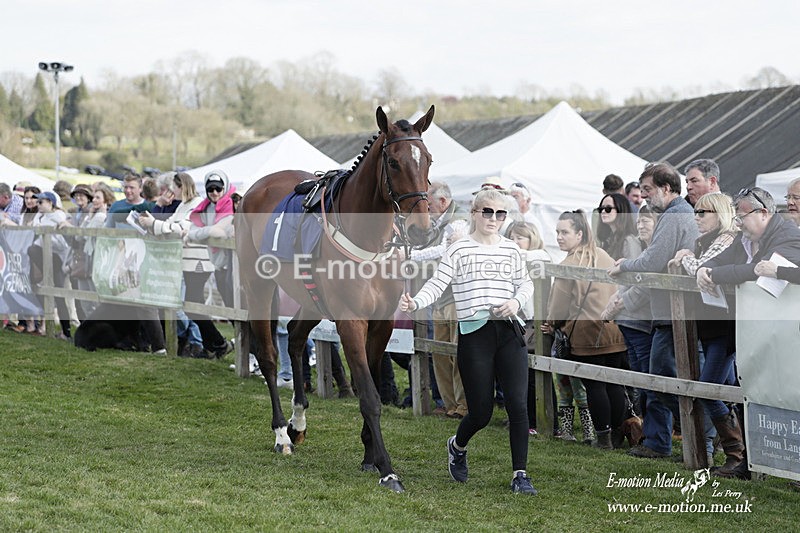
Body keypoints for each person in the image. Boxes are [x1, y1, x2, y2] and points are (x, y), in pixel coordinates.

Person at [398, 188, 537, 495]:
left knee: (517, 404)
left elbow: (525, 283)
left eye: (500, 214)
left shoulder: (512, 249)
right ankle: (457, 446)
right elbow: (437, 283)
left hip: (510, 332)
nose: (494, 219)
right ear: (475, 213)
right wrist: (416, 302)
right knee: (481, 412)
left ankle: (520, 474)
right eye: (487, 212)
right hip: (475, 334)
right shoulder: (459, 249)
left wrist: (516, 302)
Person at [698, 187, 800, 478]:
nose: (739, 222)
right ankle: (748, 461)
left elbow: (755, 270)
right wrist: (703, 271)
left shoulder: (787, 235)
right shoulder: (745, 237)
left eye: (742, 216)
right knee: (751, 389)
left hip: (784, 334)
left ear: (764, 213)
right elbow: (717, 260)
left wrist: (715, 275)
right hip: (756, 331)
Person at [608, 162, 699, 459]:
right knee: (660, 376)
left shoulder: (674, 215)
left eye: (647, 189)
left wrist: (624, 266)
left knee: (660, 374)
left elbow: (653, 260)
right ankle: (687, 434)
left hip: (674, 310)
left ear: (666, 187)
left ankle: (703, 427)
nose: (644, 196)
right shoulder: (676, 214)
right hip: (668, 309)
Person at [541, 211, 629, 450]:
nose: (559, 237)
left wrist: (552, 323)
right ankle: (617, 436)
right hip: (614, 329)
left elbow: (558, 307)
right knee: (614, 384)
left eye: (565, 232)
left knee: (595, 386)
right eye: (557, 232)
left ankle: (603, 439)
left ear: (579, 234)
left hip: (586, 333)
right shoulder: (604, 255)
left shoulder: (568, 264)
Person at [668, 192, 742, 473]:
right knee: (728, 389)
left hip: (723, 328)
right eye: (696, 212)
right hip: (711, 326)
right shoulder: (706, 242)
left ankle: (736, 453)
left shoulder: (726, 240)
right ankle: (739, 455)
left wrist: (685, 257)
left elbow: (701, 269)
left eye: (703, 212)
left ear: (720, 214)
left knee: (709, 389)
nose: (697, 217)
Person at [139, 172, 231, 359]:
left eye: (173, 188)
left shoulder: (196, 204)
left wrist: (153, 223)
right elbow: (169, 225)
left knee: (192, 304)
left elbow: (180, 228)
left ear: (181, 186)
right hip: (186, 260)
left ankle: (217, 344)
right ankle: (214, 345)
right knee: (191, 304)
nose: (170, 192)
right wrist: (155, 218)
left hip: (198, 261)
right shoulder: (183, 205)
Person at [409, 182, 469, 419]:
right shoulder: (437, 223)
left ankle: (464, 405)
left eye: (430, 205)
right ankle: (450, 403)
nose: (428, 210)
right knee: (441, 354)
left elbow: (444, 252)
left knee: (457, 354)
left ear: (443, 202)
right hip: (440, 296)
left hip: (456, 298)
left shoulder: (458, 223)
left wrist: (408, 256)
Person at [507, 221, 550, 435]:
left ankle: (534, 420)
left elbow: (542, 255)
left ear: (531, 238)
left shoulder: (537, 256)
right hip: (514, 320)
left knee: (534, 374)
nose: (515, 242)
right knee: (515, 372)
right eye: (512, 238)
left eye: (520, 238)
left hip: (534, 321)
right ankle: (519, 417)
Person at [188, 170, 236, 309]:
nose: (214, 192)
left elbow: (221, 232)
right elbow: (193, 230)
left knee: (239, 307)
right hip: (219, 266)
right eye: (210, 189)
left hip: (235, 266)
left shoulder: (232, 203)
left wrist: (205, 232)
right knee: (229, 307)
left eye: (218, 188)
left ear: (224, 187)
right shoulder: (205, 207)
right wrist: (208, 231)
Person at [27, 191, 72, 339]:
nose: (38, 204)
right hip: (45, 256)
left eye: (41, 202)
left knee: (59, 295)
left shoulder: (58, 216)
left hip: (58, 258)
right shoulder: (40, 217)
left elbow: (61, 240)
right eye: (37, 202)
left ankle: (66, 331)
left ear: (50, 203)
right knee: (32, 250)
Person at [596, 193, 641, 261]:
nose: (603, 211)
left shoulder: (629, 240)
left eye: (608, 208)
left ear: (620, 210)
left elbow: (634, 269)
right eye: (601, 209)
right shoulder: (607, 240)